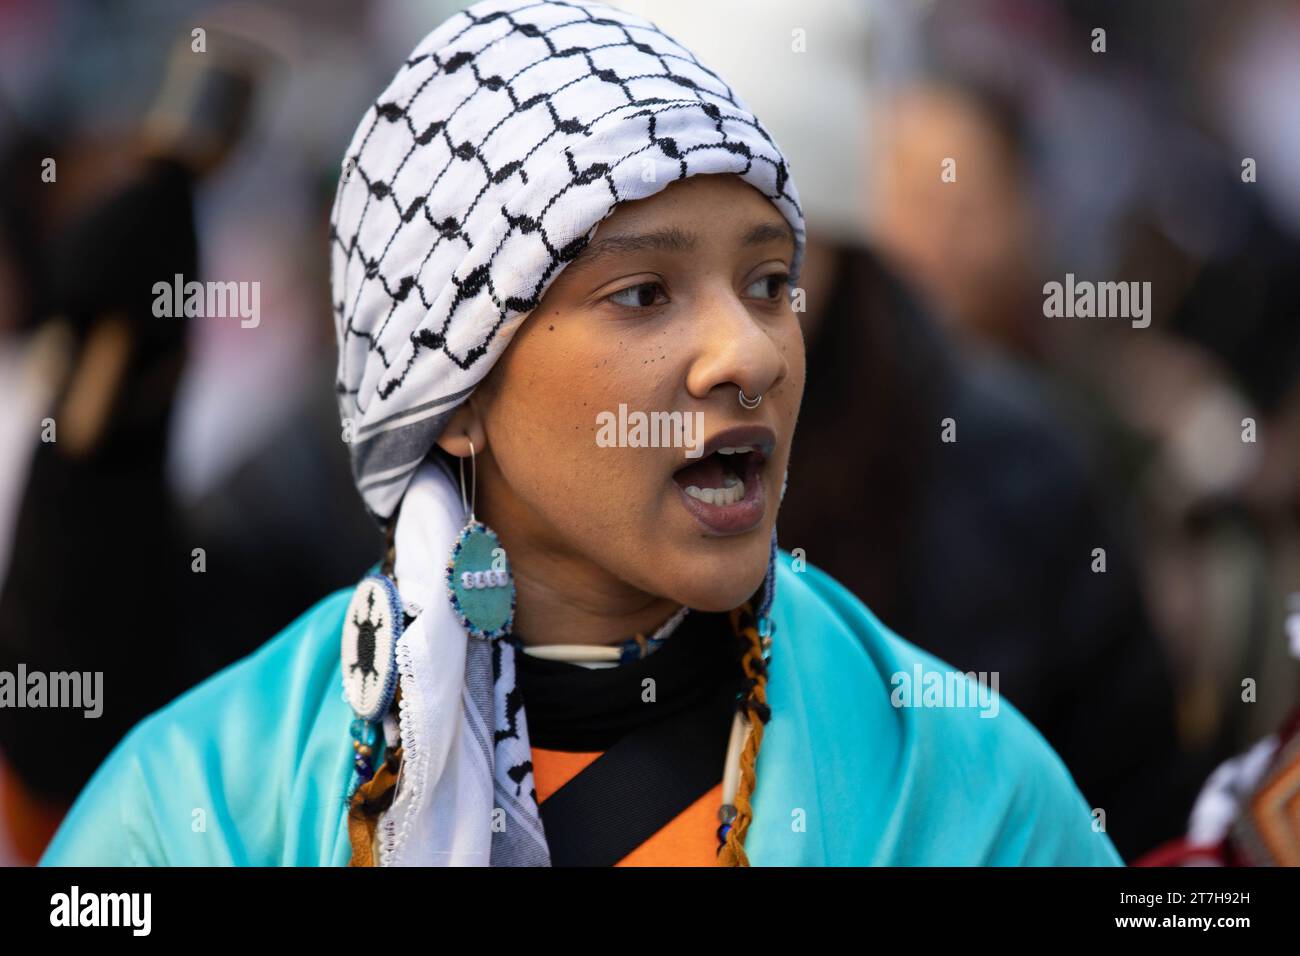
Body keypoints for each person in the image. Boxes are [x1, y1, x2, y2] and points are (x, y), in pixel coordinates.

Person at [39, 0, 1120, 867]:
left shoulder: (962, 785)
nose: (750, 352)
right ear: (452, 393)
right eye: (645, 292)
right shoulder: (211, 802)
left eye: (769, 279)